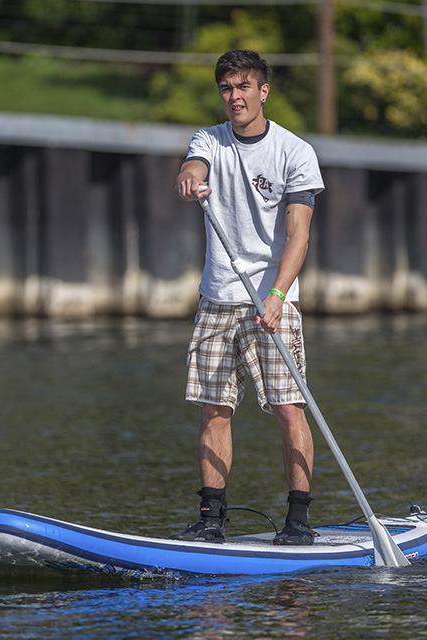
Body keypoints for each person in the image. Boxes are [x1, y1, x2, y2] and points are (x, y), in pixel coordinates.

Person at [171, 49, 324, 546]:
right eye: (226, 89)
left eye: (243, 88)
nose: (234, 97)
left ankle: (298, 520)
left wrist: (278, 294)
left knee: (288, 408)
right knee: (214, 409)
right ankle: (211, 518)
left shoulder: (294, 152)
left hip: (272, 301)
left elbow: (298, 235)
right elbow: (194, 164)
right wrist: (191, 176)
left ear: (263, 92)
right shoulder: (209, 140)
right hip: (218, 298)